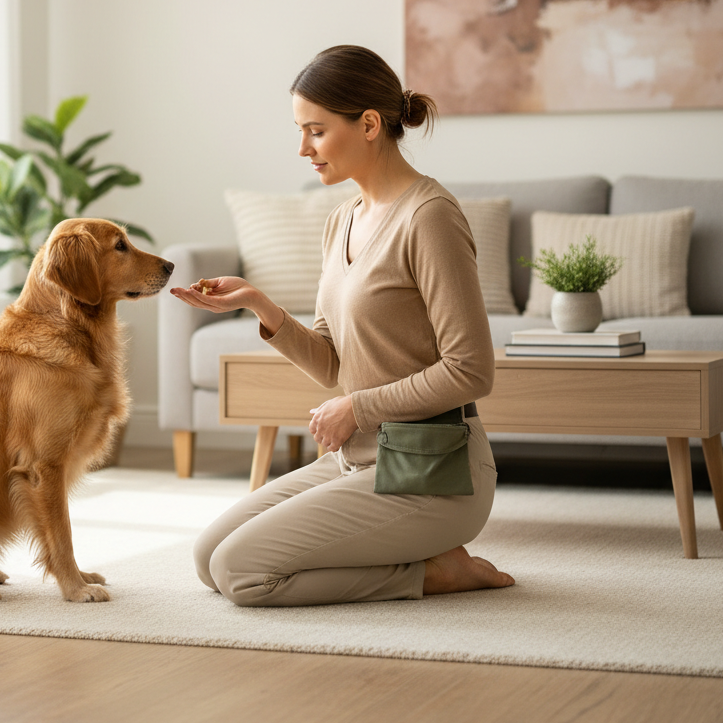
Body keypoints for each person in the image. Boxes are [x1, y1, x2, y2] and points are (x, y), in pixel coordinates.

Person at [170, 45, 514, 606]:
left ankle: (434, 573)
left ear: (370, 124)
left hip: (434, 470)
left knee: (242, 574)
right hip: (355, 458)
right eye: (301, 131)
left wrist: (358, 407)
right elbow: (332, 361)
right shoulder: (341, 220)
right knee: (209, 557)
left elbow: (471, 370)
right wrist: (260, 305)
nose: (302, 148)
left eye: (316, 131)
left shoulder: (430, 218)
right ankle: (426, 561)